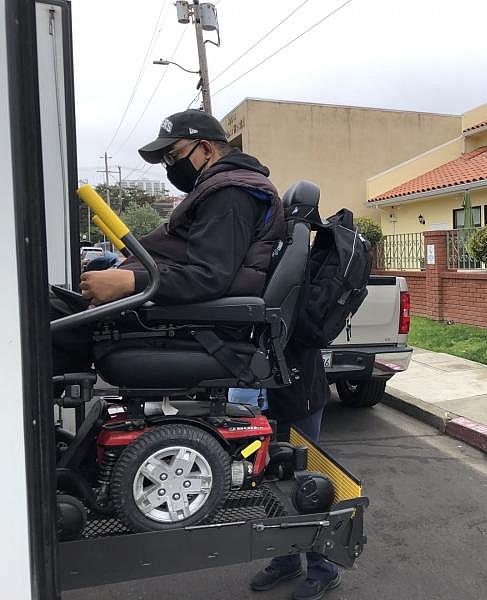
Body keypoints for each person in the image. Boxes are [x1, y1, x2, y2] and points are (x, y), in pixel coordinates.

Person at [50, 109, 285, 375]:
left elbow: (209, 276)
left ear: (206, 149)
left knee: (38, 317)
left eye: (173, 156)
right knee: (45, 304)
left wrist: (130, 282)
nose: (171, 167)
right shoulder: (220, 188)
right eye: (165, 161)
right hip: (162, 309)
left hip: (181, 322)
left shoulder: (229, 194)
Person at [250, 343, 340, 599]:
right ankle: (286, 560)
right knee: (270, 485)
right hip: (256, 402)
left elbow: (315, 332)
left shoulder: (299, 301)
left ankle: (323, 567)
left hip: (299, 398)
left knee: (307, 489)